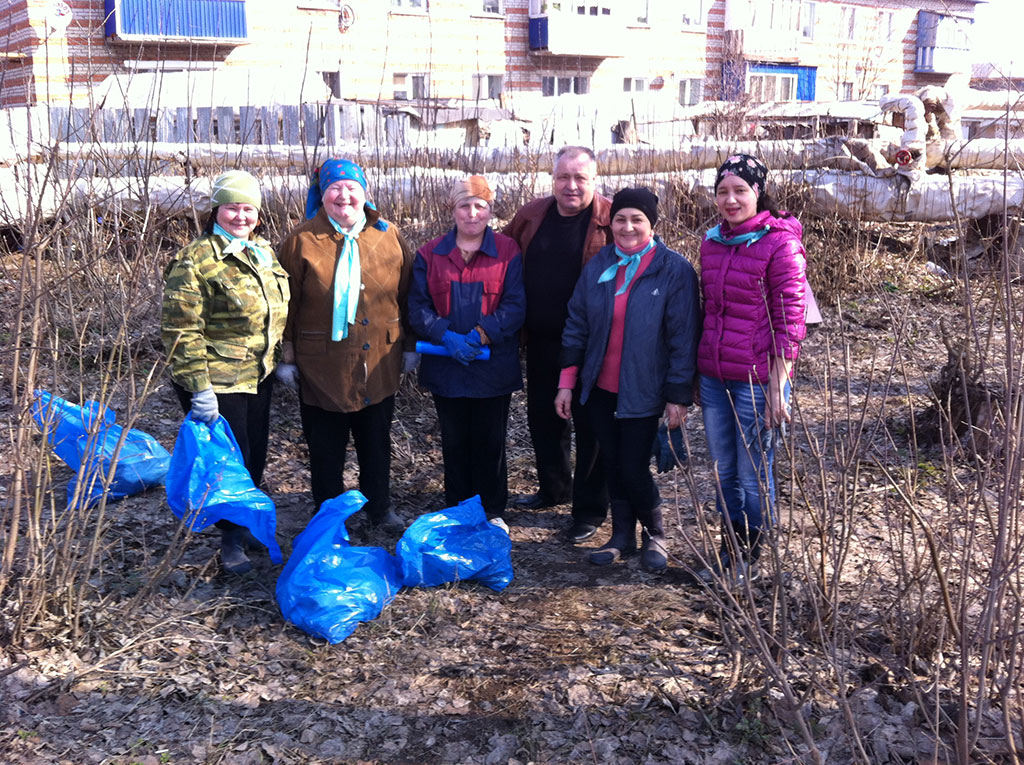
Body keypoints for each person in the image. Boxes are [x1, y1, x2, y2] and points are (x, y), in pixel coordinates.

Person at [555, 188, 700, 571]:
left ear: (652, 224)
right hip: (600, 388)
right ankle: (622, 536)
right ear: (611, 222)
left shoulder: (674, 270)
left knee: (634, 467)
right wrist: (567, 381)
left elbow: (683, 338)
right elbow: (577, 324)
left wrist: (678, 395)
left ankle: (655, 535)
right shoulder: (600, 265)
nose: (628, 227)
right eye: (620, 219)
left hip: (645, 389)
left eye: (637, 219)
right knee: (612, 463)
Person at [161, 169, 290, 574]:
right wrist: (199, 389)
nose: (240, 216)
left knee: (254, 455)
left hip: (257, 375)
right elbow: (181, 330)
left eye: (248, 209)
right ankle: (230, 541)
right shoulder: (195, 259)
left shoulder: (262, 252)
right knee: (228, 464)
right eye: (232, 207)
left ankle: (244, 524)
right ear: (215, 211)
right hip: (216, 379)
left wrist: (283, 358)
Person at [276, 158, 414, 533]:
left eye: (352, 187)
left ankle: (379, 508)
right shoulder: (302, 240)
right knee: (325, 446)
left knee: (376, 440)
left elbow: (408, 294)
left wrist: (411, 344)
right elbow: (285, 303)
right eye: (335, 187)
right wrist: (286, 355)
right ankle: (329, 514)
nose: (344, 195)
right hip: (322, 365)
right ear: (322, 195)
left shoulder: (388, 235)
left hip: (379, 358)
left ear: (364, 192)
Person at [697, 153, 807, 582]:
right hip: (714, 376)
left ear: (758, 192)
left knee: (752, 472)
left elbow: (790, 322)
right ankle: (731, 551)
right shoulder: (712, 242)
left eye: (740, 190)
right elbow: (708, 310)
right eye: (723, 191)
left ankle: (754, 557)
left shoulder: (781, 244)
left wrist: (779, 386)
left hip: (757, 380)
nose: (730, 199)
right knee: (723, 470)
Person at [504, 146, 611, 543]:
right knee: (544, 417)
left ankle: (589, 510)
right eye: (563, 177)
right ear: (553, 179)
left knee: (591, 425)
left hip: (594, 345)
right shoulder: (532, 215)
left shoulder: (610, 218)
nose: (571, 186)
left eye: (580, 178)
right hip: (541, 339)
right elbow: (502, 255)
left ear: (594, 180)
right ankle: (554, 489)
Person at [408, 176, 525, 520]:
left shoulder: (508, 251)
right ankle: (457, 510)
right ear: (452, 209)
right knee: (454, 441)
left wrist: (480, 335)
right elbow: (417, 307)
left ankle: (492, 510)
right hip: (447, 367)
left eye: (480, 206)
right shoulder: (430, 253)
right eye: (464, 205)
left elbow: (515, 305)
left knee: (491, 443)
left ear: (490, 210)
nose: (472, 213)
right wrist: (446, 336)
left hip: (492, 367)